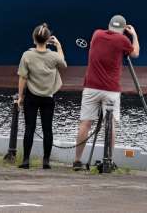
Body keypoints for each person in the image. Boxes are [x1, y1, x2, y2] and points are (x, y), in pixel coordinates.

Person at [72, 15, 139, 170]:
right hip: (111, 90)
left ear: (109, 25)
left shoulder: (96, 34)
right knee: (111, 125)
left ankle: (77, 160)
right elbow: (135, 53)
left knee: (85, 123)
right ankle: (108, 160)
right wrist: (133, 34)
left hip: (91, 87)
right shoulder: (122, 40)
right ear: (122, 29)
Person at [16, 23, 67, 170]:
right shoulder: (53, 56)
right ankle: (46, 161)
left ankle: (26, 160)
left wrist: (20, 96)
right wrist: (58, 46)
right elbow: (63, 64)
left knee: (29, 128)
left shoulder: (27, 55)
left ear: (34, 39)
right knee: (48, 129)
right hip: (48, 97)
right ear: (47, 40)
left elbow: (22, 78)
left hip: (31, 96)